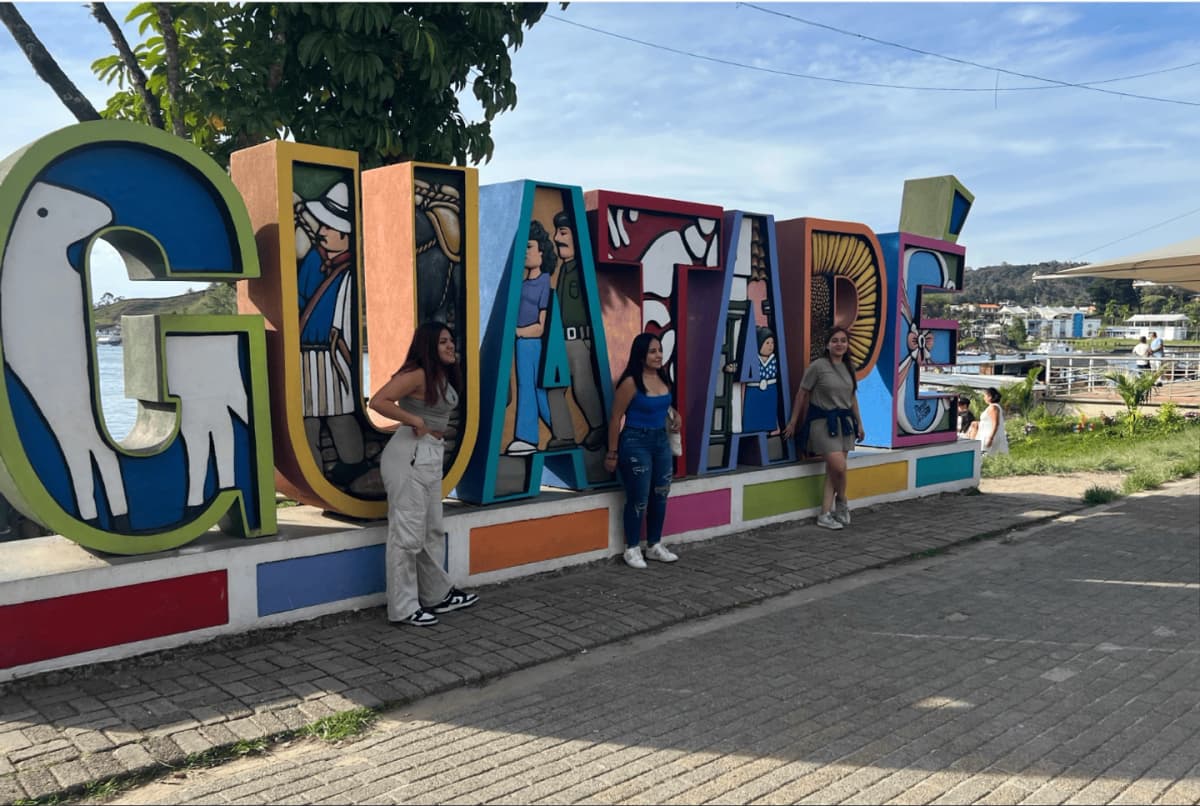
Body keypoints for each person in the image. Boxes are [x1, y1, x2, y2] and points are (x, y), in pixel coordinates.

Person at [369, 322, 479, 627]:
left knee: (431, 529)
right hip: (410, 454)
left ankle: (436, 595)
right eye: (443, 341)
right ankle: (403, 608)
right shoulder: (416, 374)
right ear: (428, 345)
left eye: (451, 340)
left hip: (430, 452)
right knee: (406, 535)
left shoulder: (439, 375)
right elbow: (378, 401)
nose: (450, 346)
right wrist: (412, 418)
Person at [605, 332, 681, 569]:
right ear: (641, 355)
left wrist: (675, 415)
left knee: (661, 493)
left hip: (660, 441)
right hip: (636, 442)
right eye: (652, 351)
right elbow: (616, 417)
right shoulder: (630, 382)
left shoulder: (663, 378)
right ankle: (632, 548)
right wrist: (612, 453)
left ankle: (655, 545)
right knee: (638, 497)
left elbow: (664, 405)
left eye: (659, 350)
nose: (659, 355)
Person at [782, 327, 864, 530]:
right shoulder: (818, 366)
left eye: (843, 341)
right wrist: (793, 421)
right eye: (835, 340)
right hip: (822, 422)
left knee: (832, 472)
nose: (839, 344)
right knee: (839, 466)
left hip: (845, 423)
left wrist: (859, 423)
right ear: (827, 344)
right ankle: (843, 501)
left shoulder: (849, 367)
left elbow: (852, 397)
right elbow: (802, 393)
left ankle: (825, 514)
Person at [507, 222, 556, 456]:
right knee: (528, 388)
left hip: (531, 343)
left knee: (532, 388)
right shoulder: (522, 284)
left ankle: (527, 438)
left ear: (541, 251)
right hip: (520, 344)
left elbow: (541, 326)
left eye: (529, 246)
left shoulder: (544, 282)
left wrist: (517, 332)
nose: (525, 252)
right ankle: (556, 431)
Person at [976, 387, 1009, 457]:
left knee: (989, 455)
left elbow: (995, 423)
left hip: (990, 436)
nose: (984, 398)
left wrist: (991, 438)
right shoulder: (992, 407)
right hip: (987, 435)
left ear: (990, 397)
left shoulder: (993, 407)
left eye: (985, 396)